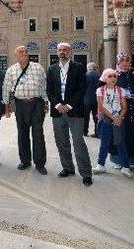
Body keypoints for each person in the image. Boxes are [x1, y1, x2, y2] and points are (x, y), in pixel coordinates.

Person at [46, 43, 92, 185]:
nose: (62, 52)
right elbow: (49, 90)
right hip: (58, 112)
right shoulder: (52, 69)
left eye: (65, 50)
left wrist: (69, 105)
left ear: (70, 52)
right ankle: (68, 168)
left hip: (75, 111)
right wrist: (59, 105)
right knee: (62, 142)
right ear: (57, 52)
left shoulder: (78, 68)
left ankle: (86, 173)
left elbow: (82, 88)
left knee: (78, 142)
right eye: (60, 50)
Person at [2, 46, 48, 175]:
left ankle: (40, 163)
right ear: (16, 55)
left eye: (26, 52)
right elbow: (6, 88)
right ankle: (25, 160)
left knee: (38, 134)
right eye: (21, 52)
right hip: (20, 104)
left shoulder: (38, 68)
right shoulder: (11, 70)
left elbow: (44, 86)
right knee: (22, 133)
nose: (24, 54)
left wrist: (46, 102)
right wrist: (6, 106)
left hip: (36, 103)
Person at [92, 68, 131, 177]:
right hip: (105, 120)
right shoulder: (100, 90)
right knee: (104, 143)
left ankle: (126, 166)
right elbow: (101, 107)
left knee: (121, 142)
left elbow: (124, 107)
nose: (113, 78)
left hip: (118, 120)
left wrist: (119, 118)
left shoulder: (120, 90)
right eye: (110, 76)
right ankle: (100, 164)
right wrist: (113, 118)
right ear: (105, 78)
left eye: (114, 76)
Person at [84, 62, 101, 137]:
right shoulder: (99, 76)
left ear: (88, 68)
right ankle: (97, 133)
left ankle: (84, 132)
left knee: (85, 117)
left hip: (86, 100)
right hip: (97, 100)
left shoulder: (85, 75)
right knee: (97, 117)